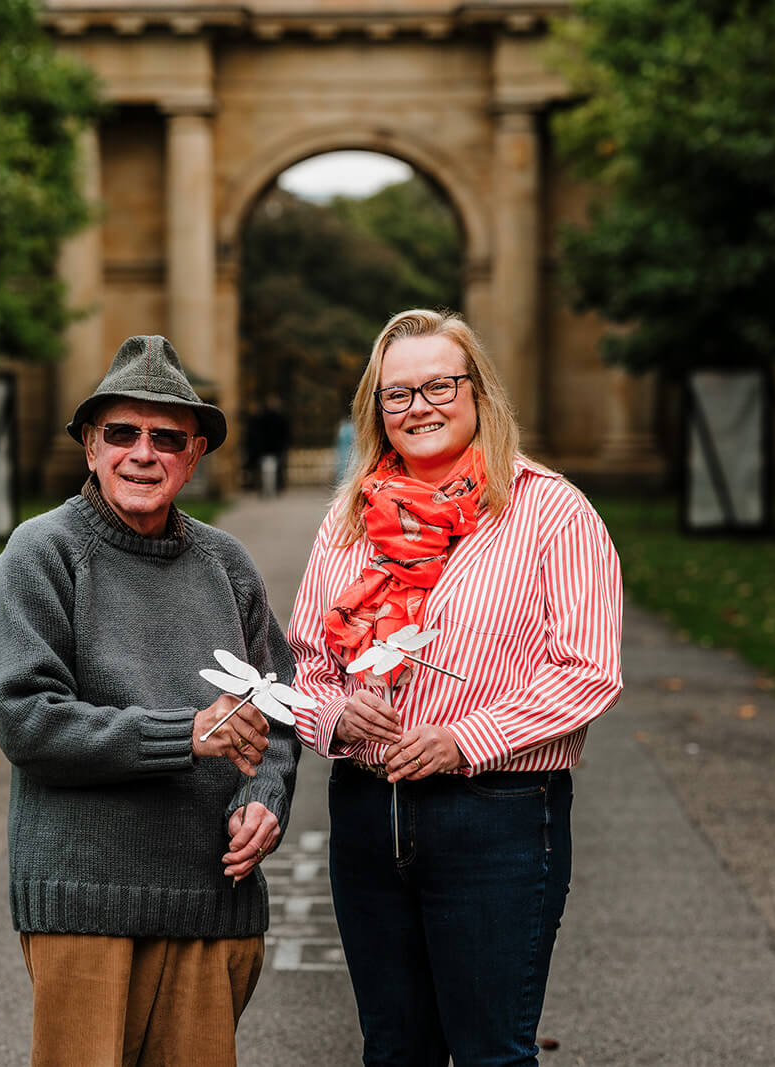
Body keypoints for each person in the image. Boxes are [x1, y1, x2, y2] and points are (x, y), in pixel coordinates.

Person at [286, 309, 623, 1066]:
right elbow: (306, 666)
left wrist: (463, 738)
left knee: (489, 1053)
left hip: (496, 817)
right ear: (377, 410)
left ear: (478, 393)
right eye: (397, 393)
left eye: (439, 384)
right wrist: (340, 714)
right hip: (370, 813)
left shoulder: (549, 511)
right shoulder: (348, 519)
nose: (419, 407)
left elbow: (587, 669)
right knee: (393, 1048)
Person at [0, 335, 299, 1067]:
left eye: (167, 437)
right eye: (121, 433)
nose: (142, 453)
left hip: (210, 900)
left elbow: (276, 703)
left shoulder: (226, 563)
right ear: (90, 446)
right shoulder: (41, 553)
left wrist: (265, 794)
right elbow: (28, 719)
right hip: (86, 905)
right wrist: (182, 734)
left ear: (193, 455)